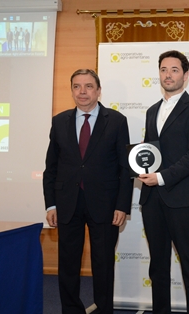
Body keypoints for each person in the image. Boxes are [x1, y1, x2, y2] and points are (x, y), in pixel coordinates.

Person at [43, 69, 133, 314]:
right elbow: (50, 168)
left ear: (98, 90)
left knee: (103, 264)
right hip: (67, 203)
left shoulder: (116, 121)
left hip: (104, 204)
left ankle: (104, 309)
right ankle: (71, 309)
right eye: (77, 86)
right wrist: (51, 204)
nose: (82, 92)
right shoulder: (59, 121)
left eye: (88, 86)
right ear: (71, 90)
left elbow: (125, 169)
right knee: (68, 264)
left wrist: (122, 205)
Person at [137, 50, 189, 314]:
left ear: (186, 75)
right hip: (152, 200)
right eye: (164, 69)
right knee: (158, 267)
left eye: (175, 70)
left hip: (184, 200)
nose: (168, 75)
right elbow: (151, 151)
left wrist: (161, 177)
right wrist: (141, 166)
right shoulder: (151, 111)